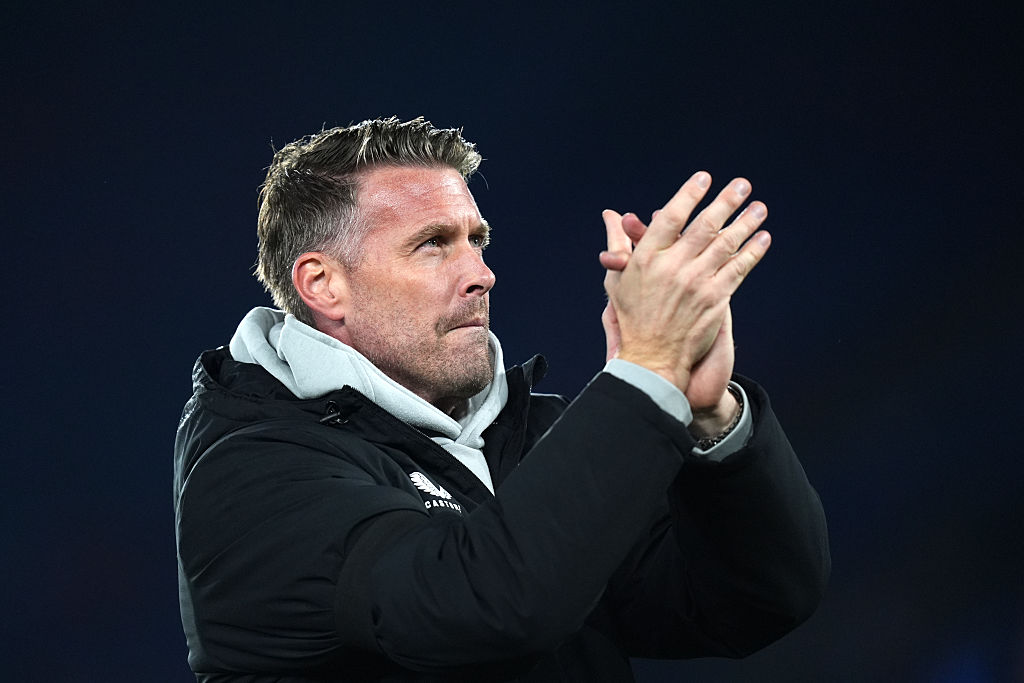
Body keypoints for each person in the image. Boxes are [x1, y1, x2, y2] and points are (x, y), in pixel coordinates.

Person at [174, 117, 829, 683]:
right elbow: (489, 605)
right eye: (433, 244)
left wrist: (708, 416)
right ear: (323, 284)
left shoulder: (524, 433)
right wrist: (643, 371)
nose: (481, 274)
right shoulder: (253, 471)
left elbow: (753, 602)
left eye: (476, 240)